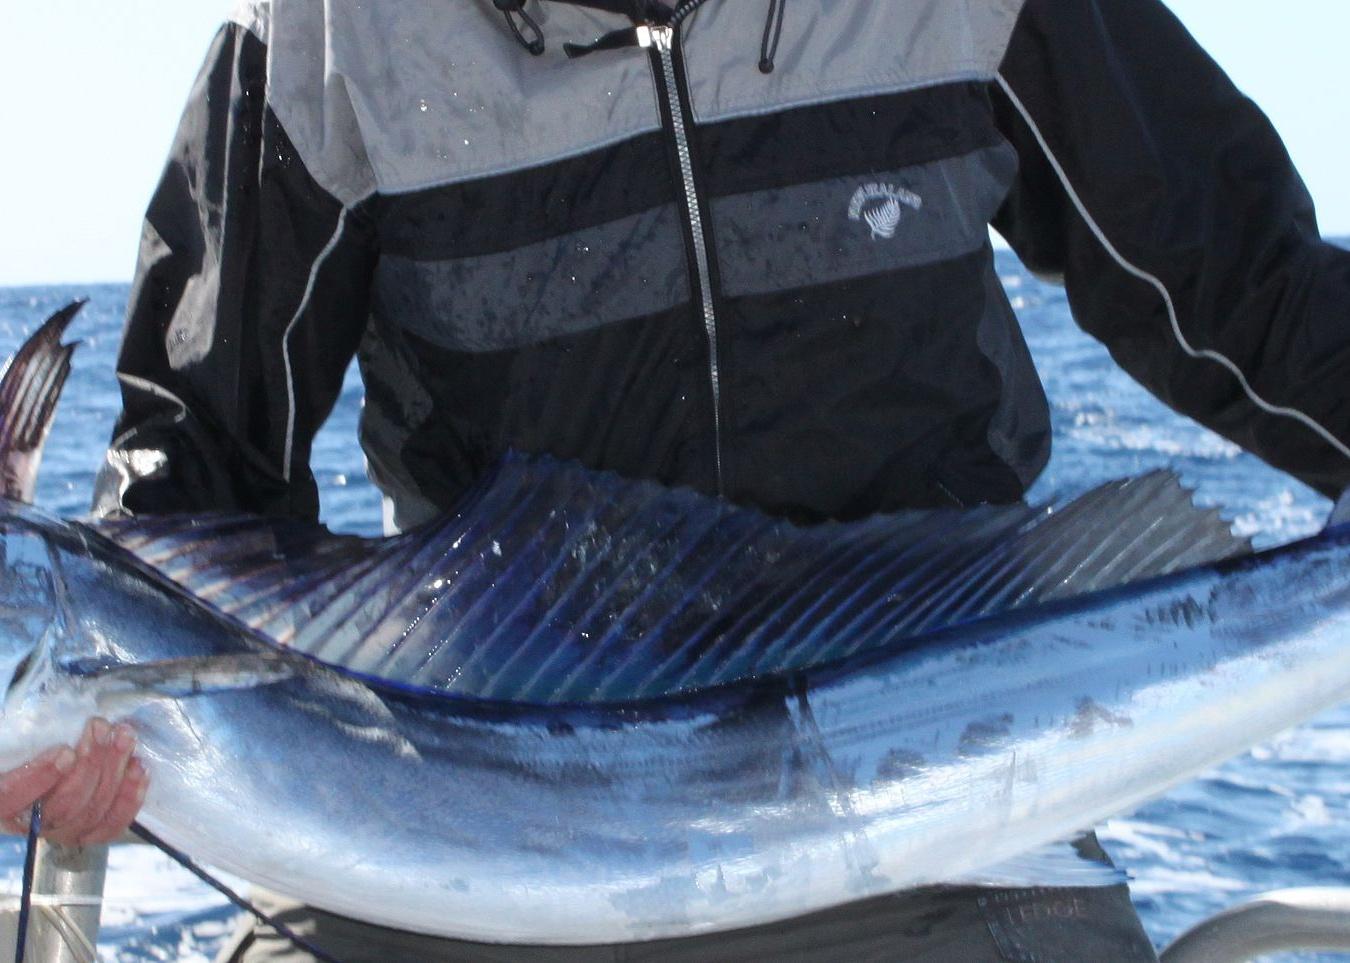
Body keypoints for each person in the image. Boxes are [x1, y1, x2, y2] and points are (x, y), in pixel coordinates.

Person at [5, 0, 1349, 959]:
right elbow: (197, 469)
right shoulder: (317, 39)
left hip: (940, 796)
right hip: (454, 821)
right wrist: (102, 744)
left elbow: (1239, 281)